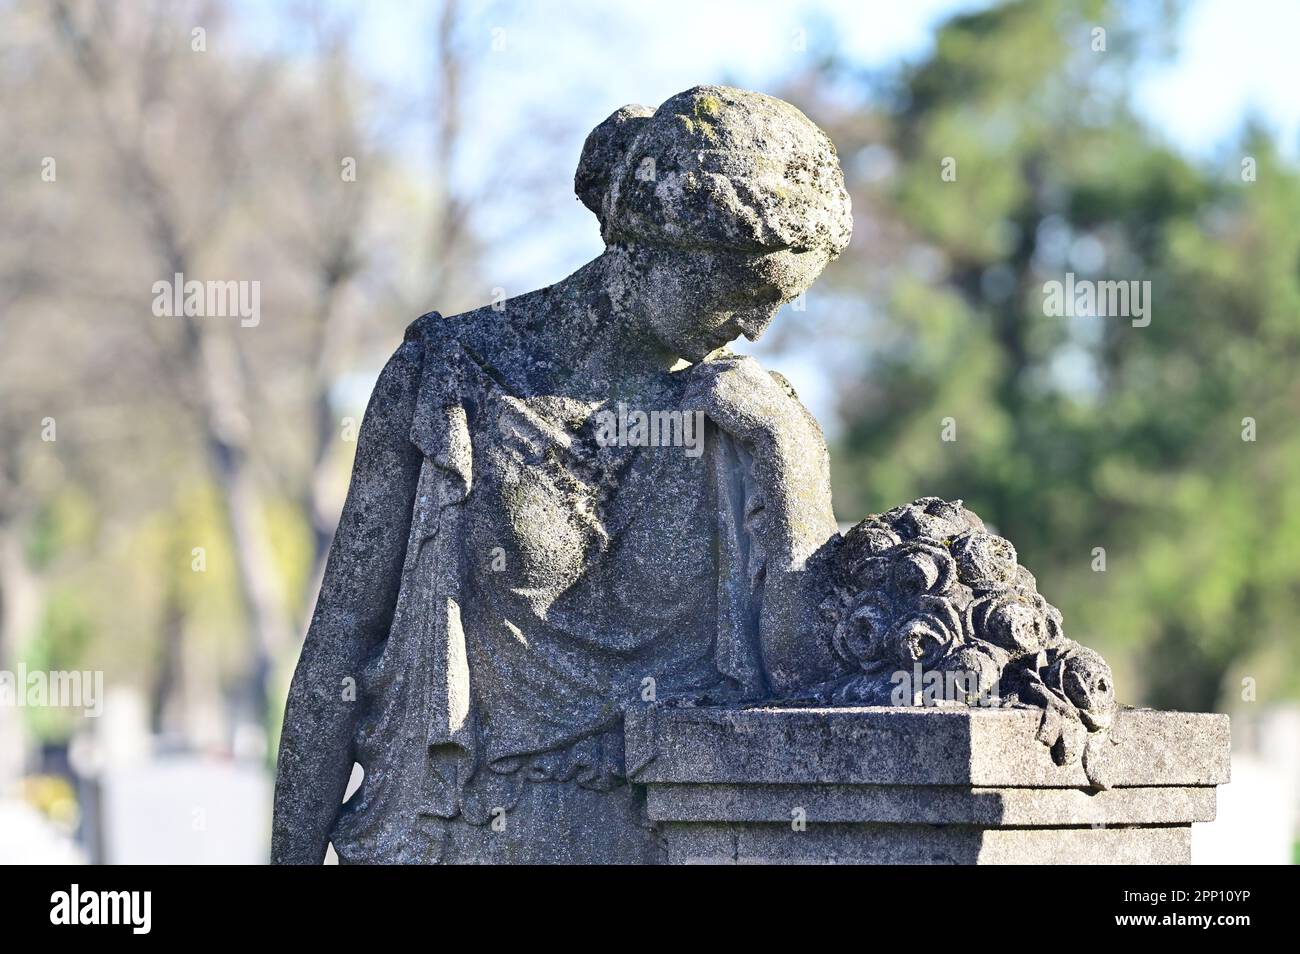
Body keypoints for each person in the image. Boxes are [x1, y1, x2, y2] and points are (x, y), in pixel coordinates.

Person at [272, 85, 853, 863]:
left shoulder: (739, 420)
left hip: (669, 842)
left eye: (779, 305)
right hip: (465, 837)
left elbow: (805, 679)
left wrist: (789, 451)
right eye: (746, 293)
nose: (754, 327)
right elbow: (341, 644)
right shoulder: (451, 379)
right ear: (654, 244)